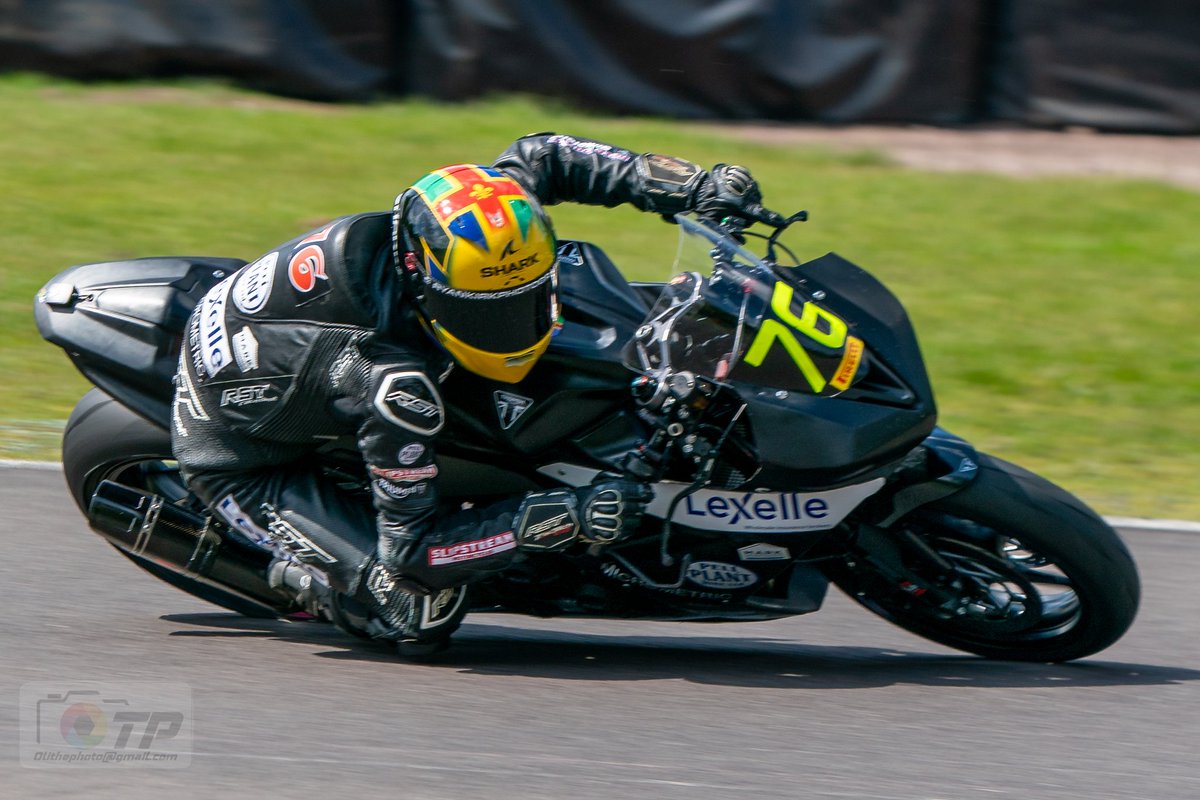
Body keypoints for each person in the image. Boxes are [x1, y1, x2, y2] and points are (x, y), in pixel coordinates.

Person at [170, 132, 781, 652]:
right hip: (243, 452)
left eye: (527, 299)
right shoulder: (391, 384)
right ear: (427, 286)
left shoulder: (467, 216)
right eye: (491, 315)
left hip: (285, 348)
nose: (517, 328)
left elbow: (546, 156)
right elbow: (413, 551)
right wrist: (559, 517)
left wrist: (687, 185)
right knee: (413, 613)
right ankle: (300, 577)